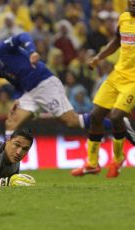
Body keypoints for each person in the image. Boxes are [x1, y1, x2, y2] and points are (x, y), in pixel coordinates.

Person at [0, 32, 135, 144]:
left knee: (71, 121)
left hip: (44, 83)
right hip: (30, 92)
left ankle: (120, 123)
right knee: (11, 123)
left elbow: (22, 36)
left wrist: (32, 51)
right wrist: (17, 99)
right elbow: (18, 85)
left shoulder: (1, 49)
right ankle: (7, 168)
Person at [71, 1, 135, 178]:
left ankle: (119, 157)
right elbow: (117, 41)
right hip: (117, 75)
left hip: (133, 82)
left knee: (116, 116)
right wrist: (98, 58)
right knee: (96, 116)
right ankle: (92, 163)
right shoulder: (123, 18)